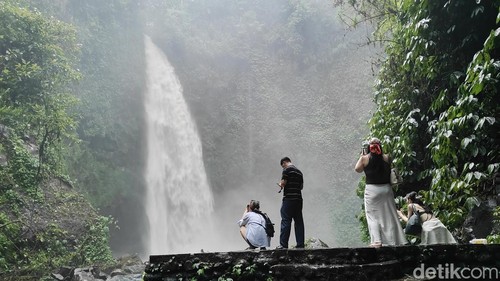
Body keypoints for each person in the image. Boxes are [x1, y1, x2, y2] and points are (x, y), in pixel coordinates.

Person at [355, 137, 407, 247]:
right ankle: (396, 241)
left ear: (369, 147)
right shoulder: (387, 157)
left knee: (373, 216)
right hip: (386, 190)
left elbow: (357, 169)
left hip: (372, 190)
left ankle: (377, 241)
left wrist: (362, 157)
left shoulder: (365, 158)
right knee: (389, 215)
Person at [276, 157, 304, 249]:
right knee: (299, 222)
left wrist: (280, 184)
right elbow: (301, 187)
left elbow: (283, 183)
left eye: (282, 166)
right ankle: (300, 244)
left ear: (284, 163)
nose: (283, 168)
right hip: (298, 200)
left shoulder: (286, 170)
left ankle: (283, 245)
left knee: (286, 221)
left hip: (289, 199)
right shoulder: (299, 172)